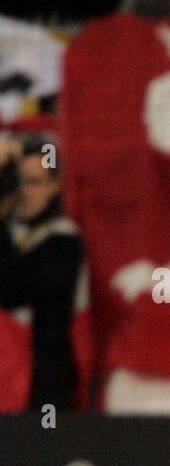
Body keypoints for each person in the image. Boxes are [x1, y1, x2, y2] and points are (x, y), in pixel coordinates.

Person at [0, 135, 83, 413]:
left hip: (42, 387)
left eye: (34, 182)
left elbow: (14, 291)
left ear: (54, 186)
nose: (24, 192)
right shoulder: (10, 231)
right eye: (19, 181)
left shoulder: (63, 240)